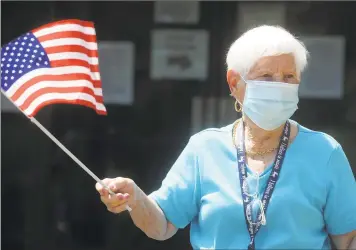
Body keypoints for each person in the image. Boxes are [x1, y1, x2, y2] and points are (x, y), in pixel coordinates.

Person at [95, 25, 356, 249]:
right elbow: (162, 223)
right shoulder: (205, 149)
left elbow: (349, 238)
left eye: (289, 77)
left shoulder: (324, 152)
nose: (279, 85)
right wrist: (135, 198)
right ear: (234, 83)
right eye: (266, 76)